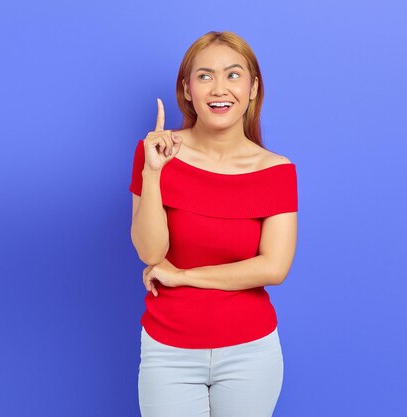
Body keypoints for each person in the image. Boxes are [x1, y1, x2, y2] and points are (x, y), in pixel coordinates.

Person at [129, 31, 298, 417]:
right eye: (204, 76)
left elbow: (274, 268)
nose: (219, 88)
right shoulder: (154, 152)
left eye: (233, 75)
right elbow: (150, 252)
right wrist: (153, 173)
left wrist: (184, 276)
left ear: (253, 88)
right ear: (187, 90)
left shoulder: (277, 171)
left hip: (250, 352)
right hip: (168, 349)